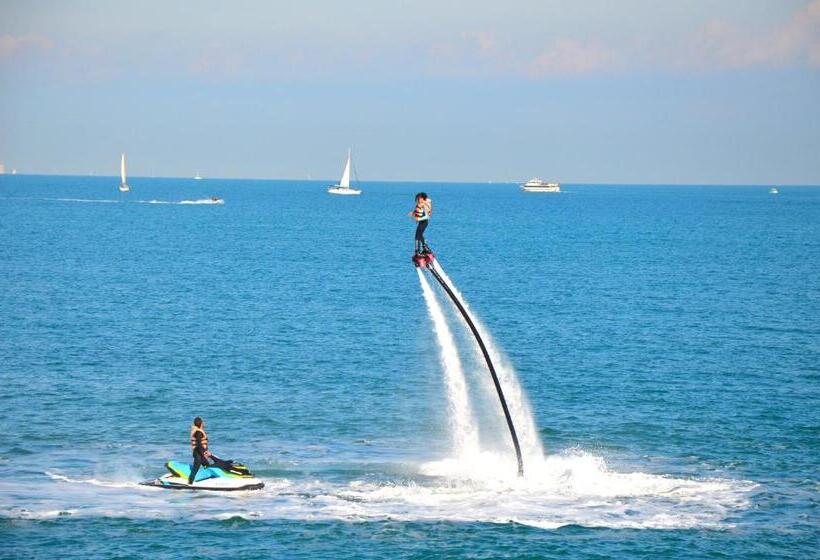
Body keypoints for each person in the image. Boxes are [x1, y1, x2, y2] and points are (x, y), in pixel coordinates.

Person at [188, 417, 211, 484]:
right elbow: (198, 444)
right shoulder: (198, 432)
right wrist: (204, 453)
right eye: (202, 422)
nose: (203, 423)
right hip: (198, 453)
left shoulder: (197, 431)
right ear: (201, 423)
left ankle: (210, 481)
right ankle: (190, 483)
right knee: (195, 468)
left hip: (198, 452)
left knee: (207, 466)